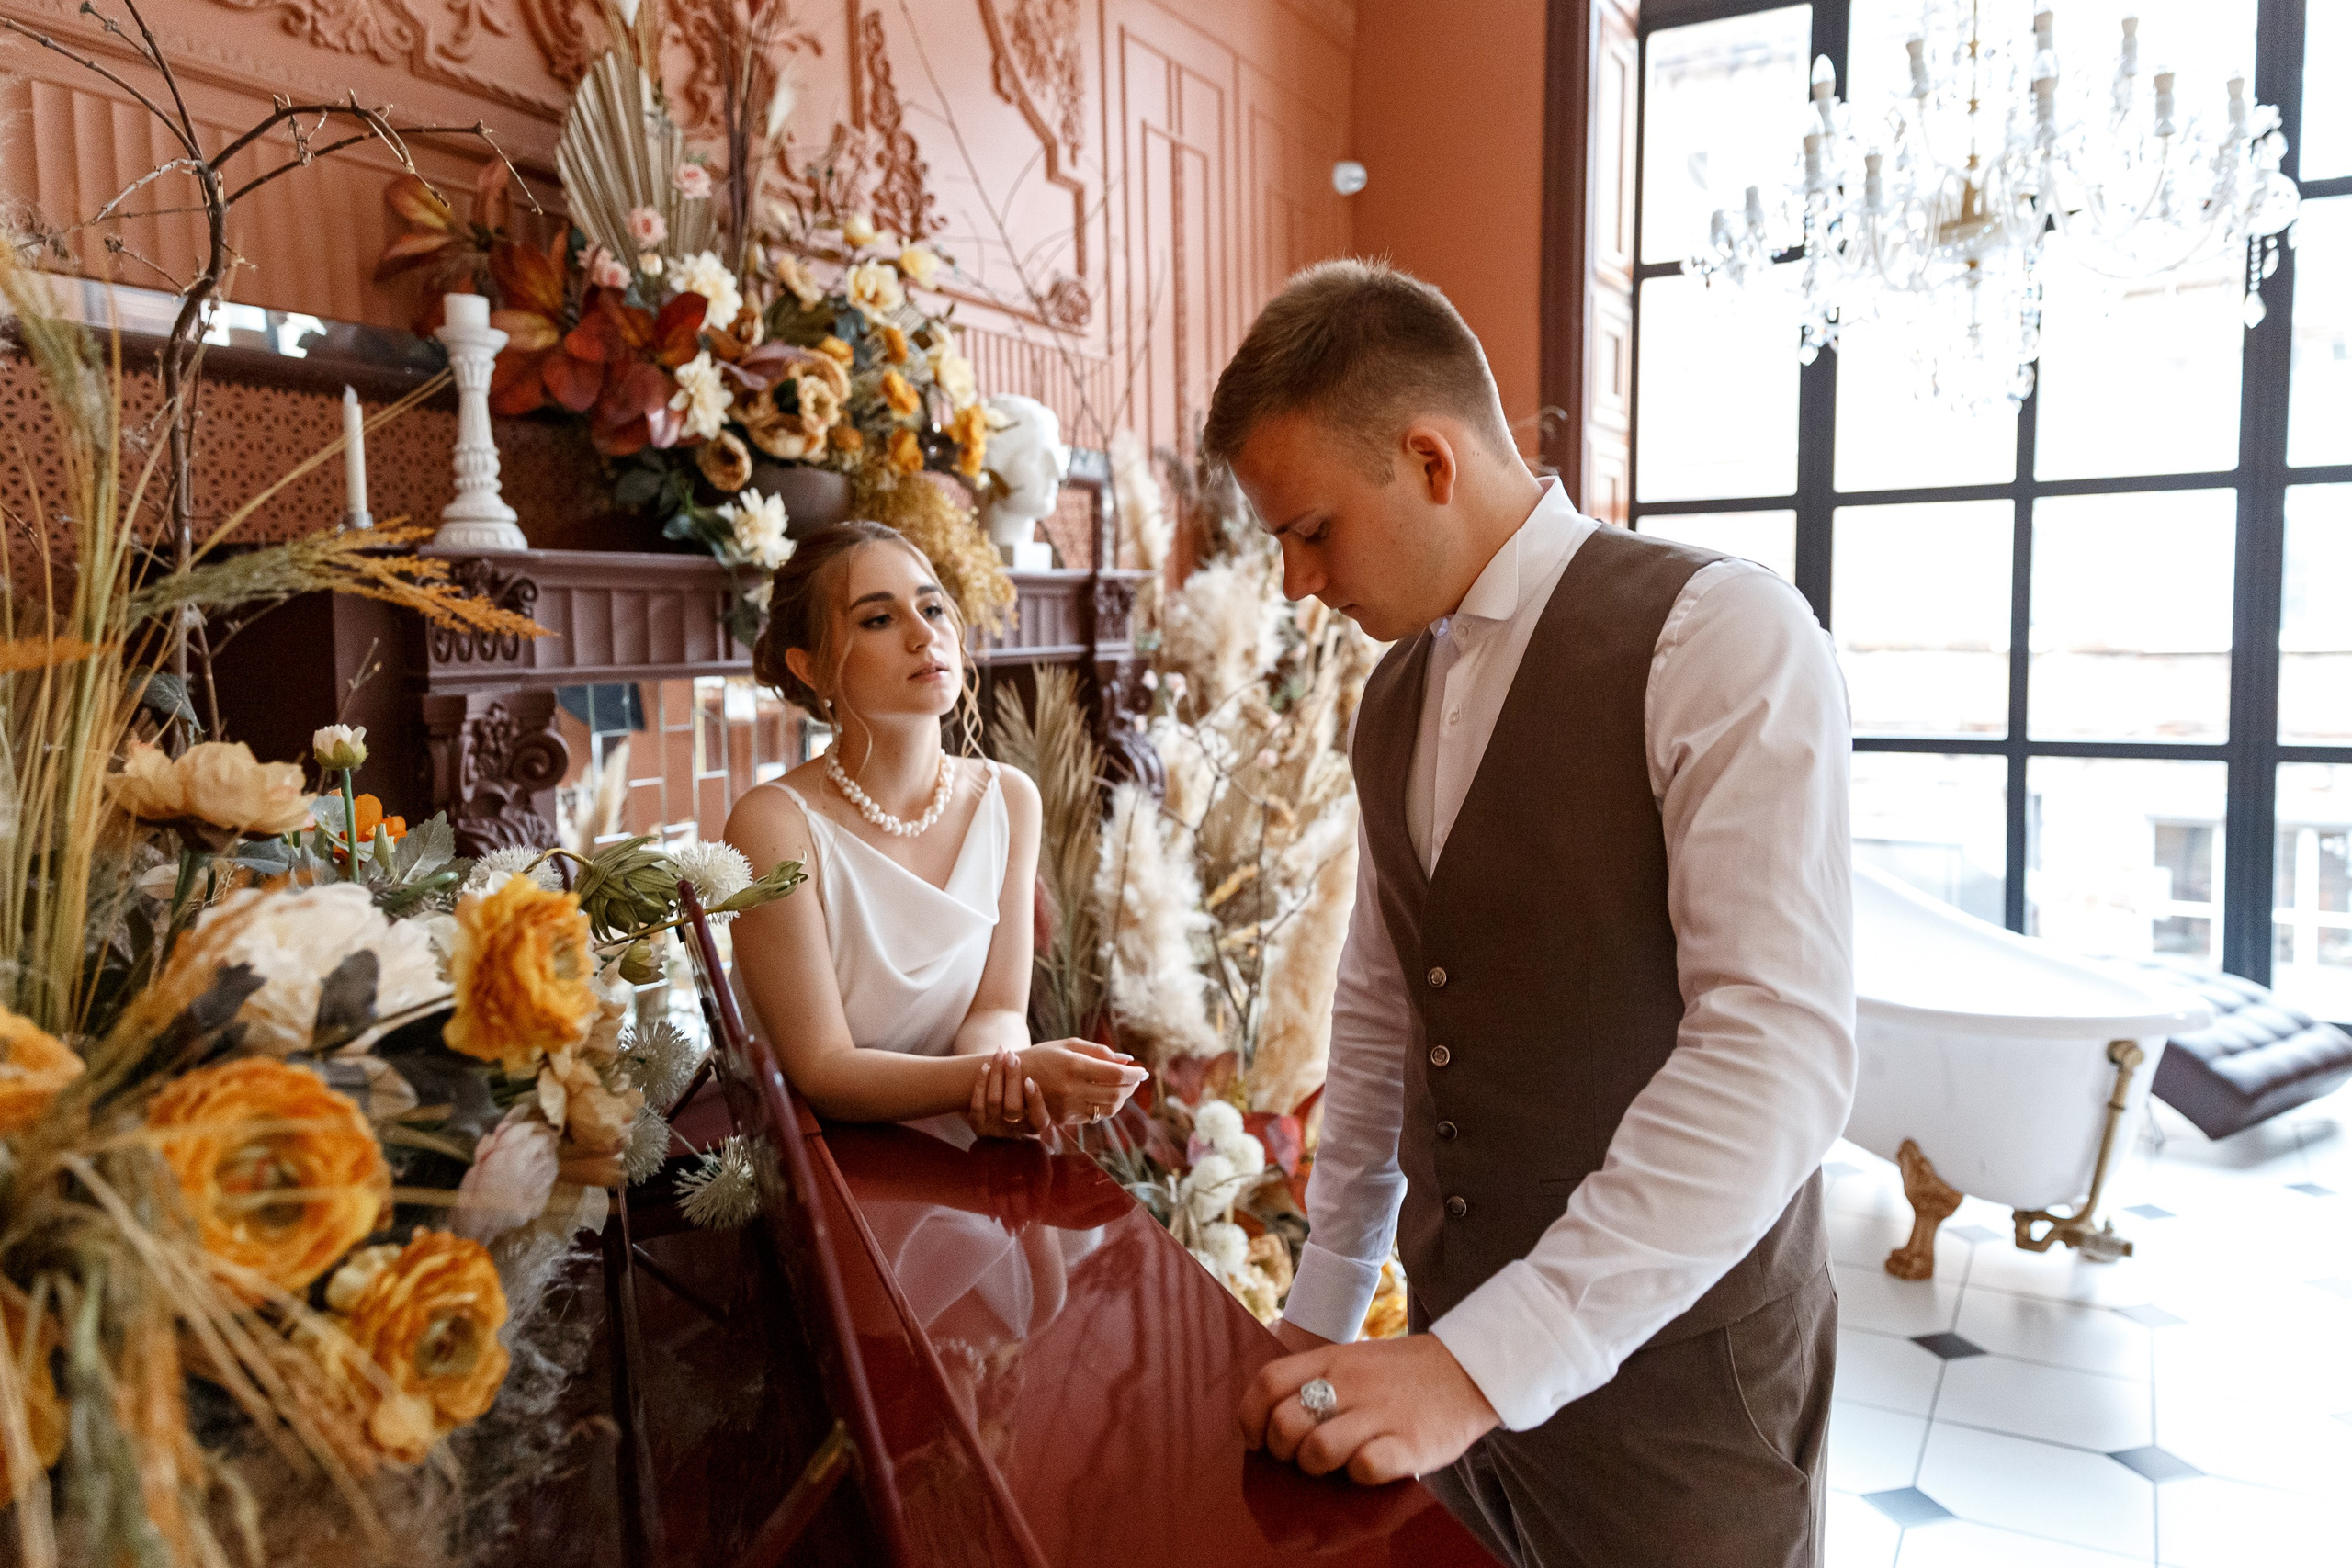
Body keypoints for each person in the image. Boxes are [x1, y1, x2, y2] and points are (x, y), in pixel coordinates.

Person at [1215, 262, 1856, 1567]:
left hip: (1682, 1401)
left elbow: (1777, 1053)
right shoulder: (1389, 695)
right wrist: (1330, 1298)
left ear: (1430, 460)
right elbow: (1386, 1001)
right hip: (1452, 1385)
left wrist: (1481, 1364)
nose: (1292, 581)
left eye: (1314, 529)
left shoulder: (1720, 635)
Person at [724, 520, 1147, 1137]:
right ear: (811, 667)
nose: (926, 634)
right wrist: (990, 1076)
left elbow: (998, 1008)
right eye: (879, 619)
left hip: (969, 1154)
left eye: (931, 606)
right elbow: (822, 1069)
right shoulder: (772, 823)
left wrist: (1009, 1080)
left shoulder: (1008, 798)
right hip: (826, 1170)